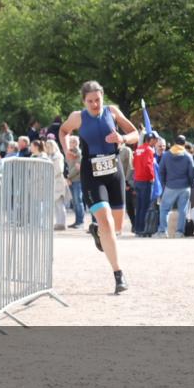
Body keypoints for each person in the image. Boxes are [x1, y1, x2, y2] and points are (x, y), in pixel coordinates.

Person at [59, 80, 139, 294]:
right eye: (90, 101)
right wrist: (66, 149)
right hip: (91, 174)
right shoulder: (78, 117)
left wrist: (122, 137)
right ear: (83, 101)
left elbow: (135, 135)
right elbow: (63, 131)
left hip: (114, 172)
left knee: (117, 228)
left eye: (98, 100)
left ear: (103, 97)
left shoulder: (112, 112)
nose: (95, 105)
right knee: (105, 219)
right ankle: (119, 275)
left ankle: (98, 231)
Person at [157, 135, 194, 238]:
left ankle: (163, 231)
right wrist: (190, 183)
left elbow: (161, 171)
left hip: (170, 185)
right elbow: (192, 172)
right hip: (185, 186)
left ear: (174, 142)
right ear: (184, 143)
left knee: (164, 209)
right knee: (182, 210)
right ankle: (179, 232)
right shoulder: (188, 156)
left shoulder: (166, 155)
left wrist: (164, 183)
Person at [131, 132, 159, 236]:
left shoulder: (138, 149)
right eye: (155, 139)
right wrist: (152, 177)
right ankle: (143, 229)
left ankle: (137, 228)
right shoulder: (149, 150)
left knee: (139, 206)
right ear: (151, 140)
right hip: (146, 180)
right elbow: (148, 165)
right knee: (145, 206)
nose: (156, 141)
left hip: (137, 180)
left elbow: (133, 164)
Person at [43, 138, 68, 230]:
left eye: (48, 146)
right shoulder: (50, 156)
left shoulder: (58, 156)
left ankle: (62, 223)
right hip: (53, 180)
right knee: (56, 203)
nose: (47, 148)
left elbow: (59, 169)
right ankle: (58, 222)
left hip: (58, 180)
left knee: (59, 203)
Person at [65, 135, 85, 229]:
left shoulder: (79, 153)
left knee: (78, 201)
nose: (71, 143)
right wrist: (67, 177)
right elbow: (67, 167)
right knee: (74, 202)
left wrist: (68, 176)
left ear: (77, 142)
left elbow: (77, 168)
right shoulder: (69, 153)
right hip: (71, 180)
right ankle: (77, 221)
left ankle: (80, 222)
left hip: (77, 180)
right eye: (70, 141)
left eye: (73, 141)